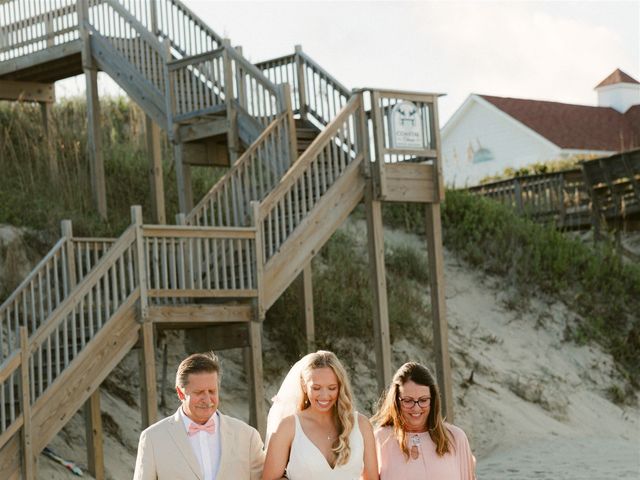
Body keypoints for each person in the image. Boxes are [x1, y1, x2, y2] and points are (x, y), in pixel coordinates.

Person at [133, 351, 265, 480]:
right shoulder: (152, 439)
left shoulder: (248, 436)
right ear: (180, 393)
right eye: (199, 392)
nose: (207, 400)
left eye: (212, 391)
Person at [262, 350, 378, 480]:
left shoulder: (362, 425)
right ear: (304, 386)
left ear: (340, 387)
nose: (324, 396)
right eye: (316, 388)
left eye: (332, 388)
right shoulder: (288, 427)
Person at [371, 362, 475, 480]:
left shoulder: (456, 438)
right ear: (396, 401)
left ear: (433, 400)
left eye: (423, 400)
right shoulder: (380, 439)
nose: (416, 408)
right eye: (408, 400)